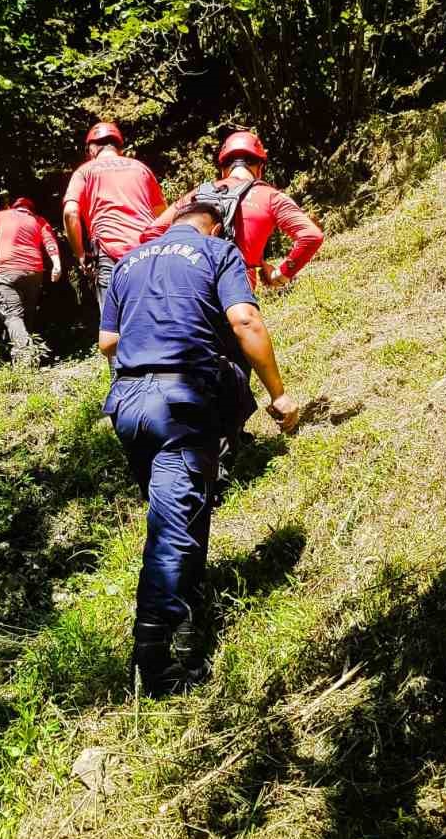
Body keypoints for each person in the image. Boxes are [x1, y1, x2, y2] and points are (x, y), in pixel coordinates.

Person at [98, 193, 300, 699]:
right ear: (218, 225)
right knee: (174, 534)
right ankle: (157, 669)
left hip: (129, 403)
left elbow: (107, 342)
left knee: (183, 516)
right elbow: (246, 321)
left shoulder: (127, 261)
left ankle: (188, 630)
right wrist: (279, 394)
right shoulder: (217, 253)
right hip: (182, 403)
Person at [149, 131, 323, 292]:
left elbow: (153, 232)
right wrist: (281, 275)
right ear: (260, 168)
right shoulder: (270, 196)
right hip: (236, 293)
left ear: (223, 168)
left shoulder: (198, 194)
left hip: (184, 289)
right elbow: (311, 236)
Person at [63, 122, 166, 310]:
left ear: (92, 149)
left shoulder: (85, 171)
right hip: (148, 250)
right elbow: (163, 215)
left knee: (113, 327)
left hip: (109, 251)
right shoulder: (141, 168)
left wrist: (79, 254)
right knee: (152, 315)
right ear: (119, 147)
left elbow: (70, 212)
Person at [0, 196, 61, 364]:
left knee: (13, 315)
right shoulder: (38, 220)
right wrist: (57, 264)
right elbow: (50, 242)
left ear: (13, 206)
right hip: (34, 272)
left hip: (7, 271)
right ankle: (28, 357)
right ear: (30, 209)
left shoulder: (2, 216)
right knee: (28, 313)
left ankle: (26, 357)